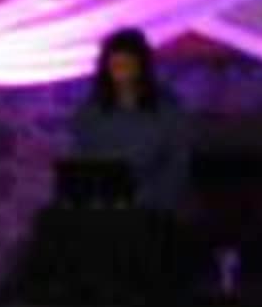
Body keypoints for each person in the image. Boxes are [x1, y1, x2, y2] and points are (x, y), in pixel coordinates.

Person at [65, 27, 192, 215]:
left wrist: (144, 200)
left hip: (152, 212)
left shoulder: (167, 112)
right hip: (100, 210)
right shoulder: (91, 113)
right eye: (116, 64)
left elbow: (177, 168)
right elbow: (79, 162)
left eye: (127, 63)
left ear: (140, 65)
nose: (121, 70)